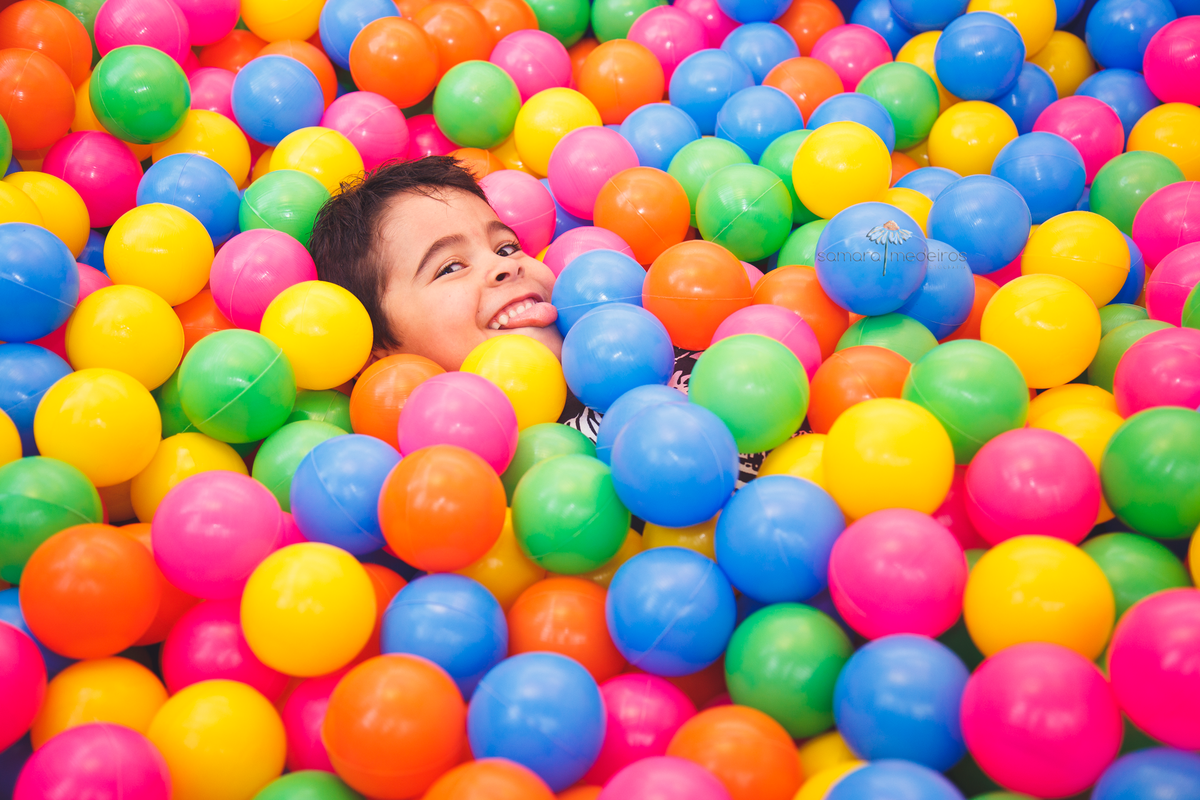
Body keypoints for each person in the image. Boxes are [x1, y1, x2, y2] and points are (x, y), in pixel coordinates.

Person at [310, 156, 768, 483]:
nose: (504, 265)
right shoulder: (478, 484)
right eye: (449, 267)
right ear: (382, 350)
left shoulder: (678, 345)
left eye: (506, 247)